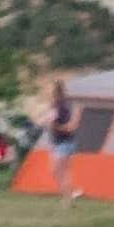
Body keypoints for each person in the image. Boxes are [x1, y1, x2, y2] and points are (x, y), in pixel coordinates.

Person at [46, 79, 80, 208]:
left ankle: (68, 198)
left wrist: (59, 127)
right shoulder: (69, 105)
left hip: (62, 143)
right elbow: (73, 125)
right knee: (64, 171)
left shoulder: (55, 106)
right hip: (69, 142)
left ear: (54, 91)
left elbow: (54, 124)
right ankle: (69, 196)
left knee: (58, 171)